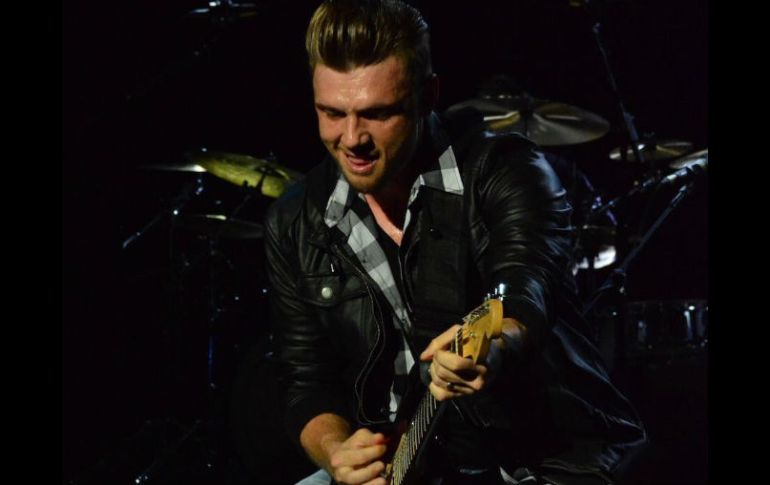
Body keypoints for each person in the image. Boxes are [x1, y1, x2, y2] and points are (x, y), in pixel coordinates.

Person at [264, 1, 646, 484]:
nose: (352, 138)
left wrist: (497, 345)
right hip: (409, 459)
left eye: (378, 113)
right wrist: (338, 452)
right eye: (332, 113)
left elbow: (524, 290)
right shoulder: (295, 221)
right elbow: (305, 381)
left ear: (428, 95)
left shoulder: (508, 172)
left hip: (546, 456)